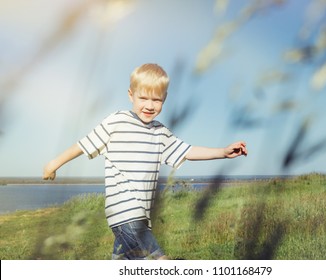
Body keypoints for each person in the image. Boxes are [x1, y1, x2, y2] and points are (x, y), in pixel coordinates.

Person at [43, 63, 248, 260]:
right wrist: (54, 163)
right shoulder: (117, 121)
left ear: (164, 99)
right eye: (143, 98)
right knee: (159, 260)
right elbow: (84, 144)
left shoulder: (160, 132)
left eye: (156, 100)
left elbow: (187, 151)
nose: (149, 106)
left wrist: (223, 151)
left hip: (143, 215)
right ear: (131, 95)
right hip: (123, 212)